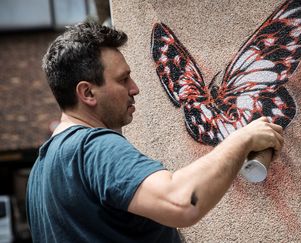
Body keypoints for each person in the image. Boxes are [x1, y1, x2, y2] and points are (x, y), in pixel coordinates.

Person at [26, 22, 284, 242]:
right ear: (87, 93)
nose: (134, 88)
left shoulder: (40, 172)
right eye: (123, 79)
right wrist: (242, 139)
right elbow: (182, 202)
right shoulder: (95, 148)